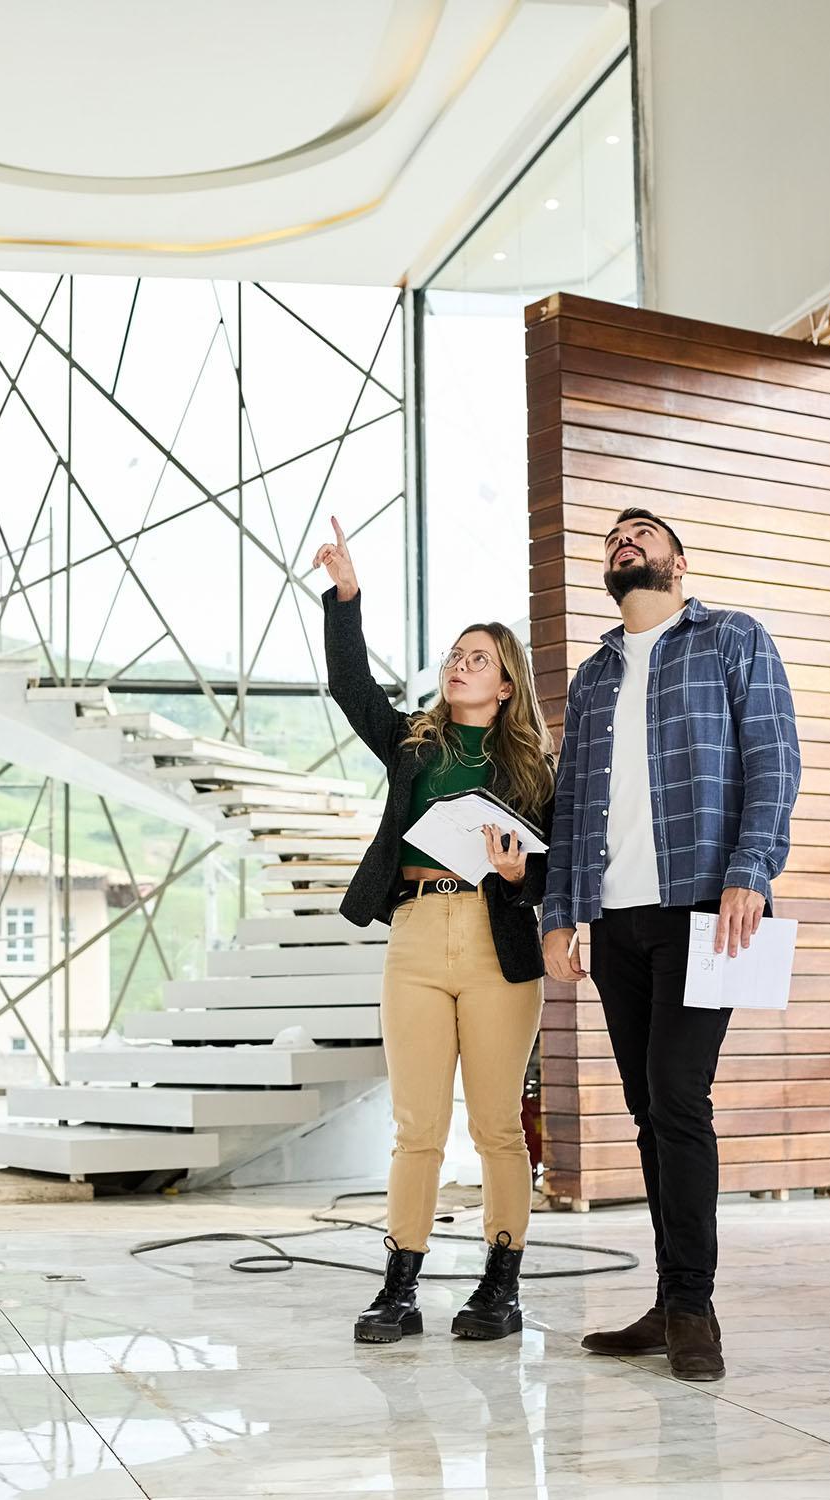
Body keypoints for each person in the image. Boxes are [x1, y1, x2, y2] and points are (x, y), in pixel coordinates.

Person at [541, 506, 801, 1382]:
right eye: (614, 537)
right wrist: (559, 912)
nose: (625, 541)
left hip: (706, 904)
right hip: (615, 919)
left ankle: (694, 1307)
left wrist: (751, 870)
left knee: (677, 1096)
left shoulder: (732, 638)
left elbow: (774, 758)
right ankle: (668, 1300)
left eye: (643, 533)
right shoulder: (592, 676)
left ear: (678, 563)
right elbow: (573, 803)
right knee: (650, 1113)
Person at [313, 516, 555, 1345]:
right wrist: (347, 598)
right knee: (418, 1125)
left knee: (494, 1124)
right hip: (416, 932)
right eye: (454, 654)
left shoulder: (533, 769)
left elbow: (560, 868)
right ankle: (401, 1287)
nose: (459, 664)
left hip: (498, 942)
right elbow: (353, 689)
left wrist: (526, 874)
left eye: (477, 657)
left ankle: (500, 1285)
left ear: (506, 685)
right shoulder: (413, 742)